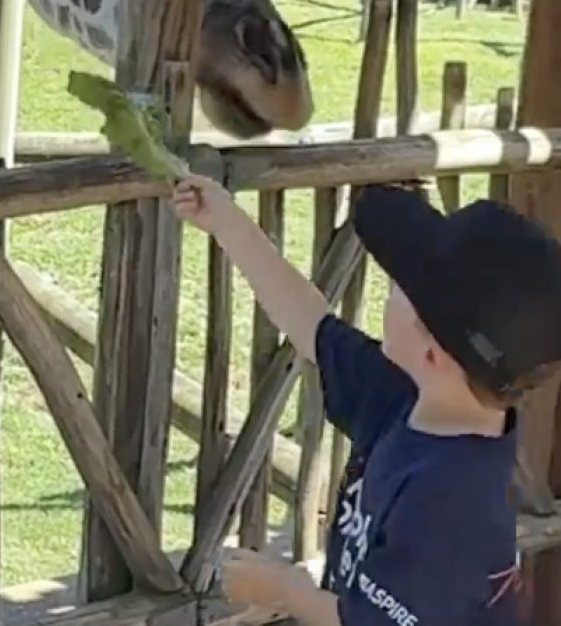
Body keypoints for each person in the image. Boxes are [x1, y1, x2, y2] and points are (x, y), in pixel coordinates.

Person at [171, 173, 561, 624]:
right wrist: (224, 219)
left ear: (432, 351)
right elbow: (309, 322)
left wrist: (287, 590)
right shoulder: (411, 397)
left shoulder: (450, 500)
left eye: (399, 283)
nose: (388, 288)